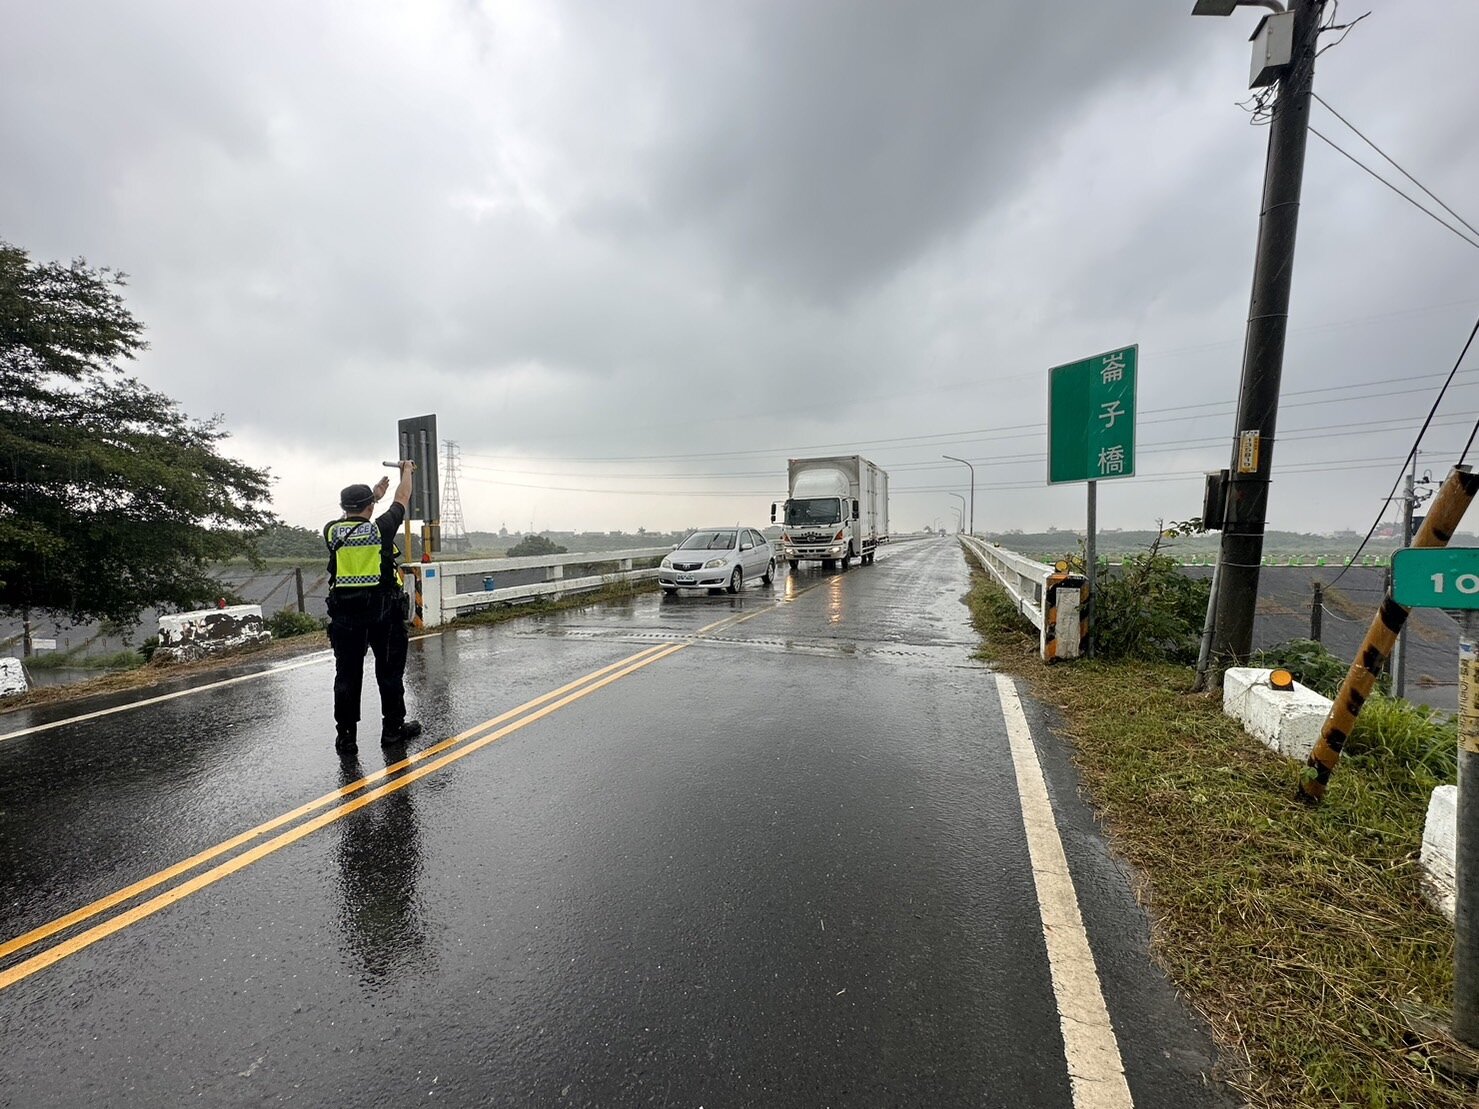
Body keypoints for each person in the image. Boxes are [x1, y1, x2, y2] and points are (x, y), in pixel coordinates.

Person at [324, 461, 423, 756]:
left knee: (346, 676)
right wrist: (407, 471)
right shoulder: (380, 530)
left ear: (343, 507)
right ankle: (392, 732)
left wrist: (372, 497)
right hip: (383, 614)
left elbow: (354, 518)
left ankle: (346, 738)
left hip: (344, 616)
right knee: (389, 673)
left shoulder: (331, 532)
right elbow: (402, 497)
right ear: (370, 507)